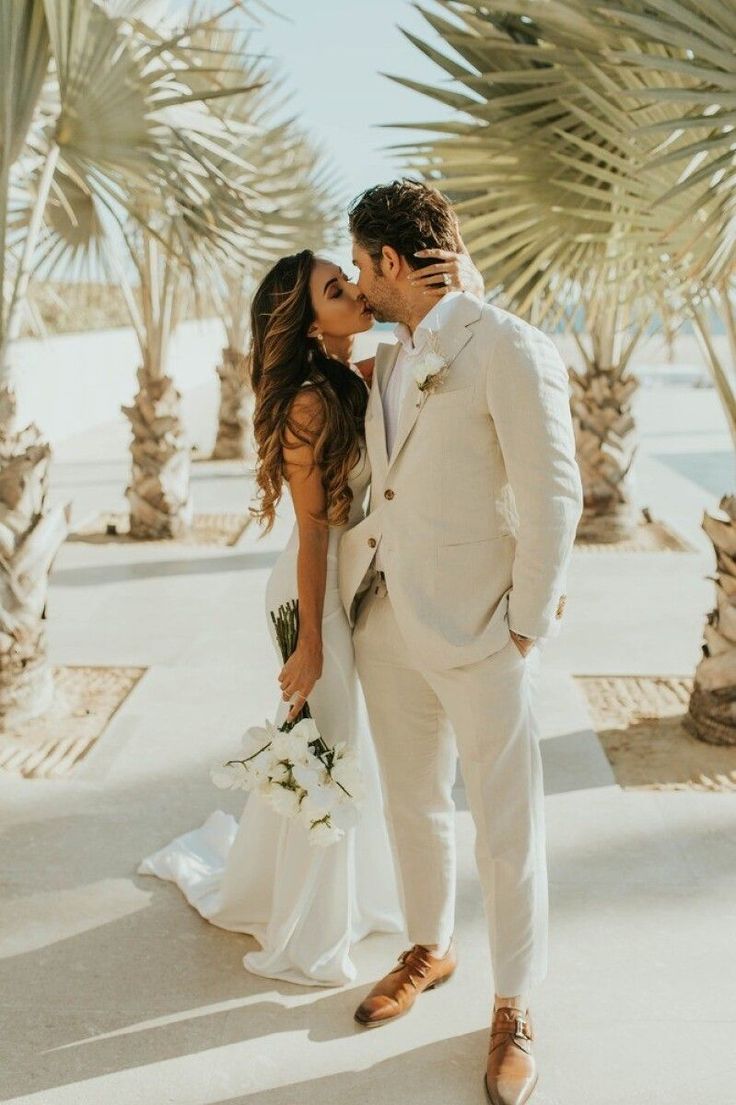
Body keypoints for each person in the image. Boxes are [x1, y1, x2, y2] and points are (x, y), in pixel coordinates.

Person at [138, 243, 484, 986]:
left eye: (349, 278)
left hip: (340, 582)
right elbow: (316, 531)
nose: (356, 290)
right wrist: (314, 644)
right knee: (328, 748)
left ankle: (323, 892)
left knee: (330, 748)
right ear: (308, 320)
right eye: (337, 288)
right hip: (310, 588)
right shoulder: (306, 400)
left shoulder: (349, 375)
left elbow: (417, 367)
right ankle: (308, 928)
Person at [339, 180, 583, 1105]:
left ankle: (516, 1005)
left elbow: (556, 497)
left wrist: (524, 622)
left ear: (394, 262)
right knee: (412, 801)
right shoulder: (395, 353)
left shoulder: (510, 349)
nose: (359, 283)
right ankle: (428, 946)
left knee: (507, 827)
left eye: (364, 264)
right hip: (388, 617)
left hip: (482, 630)